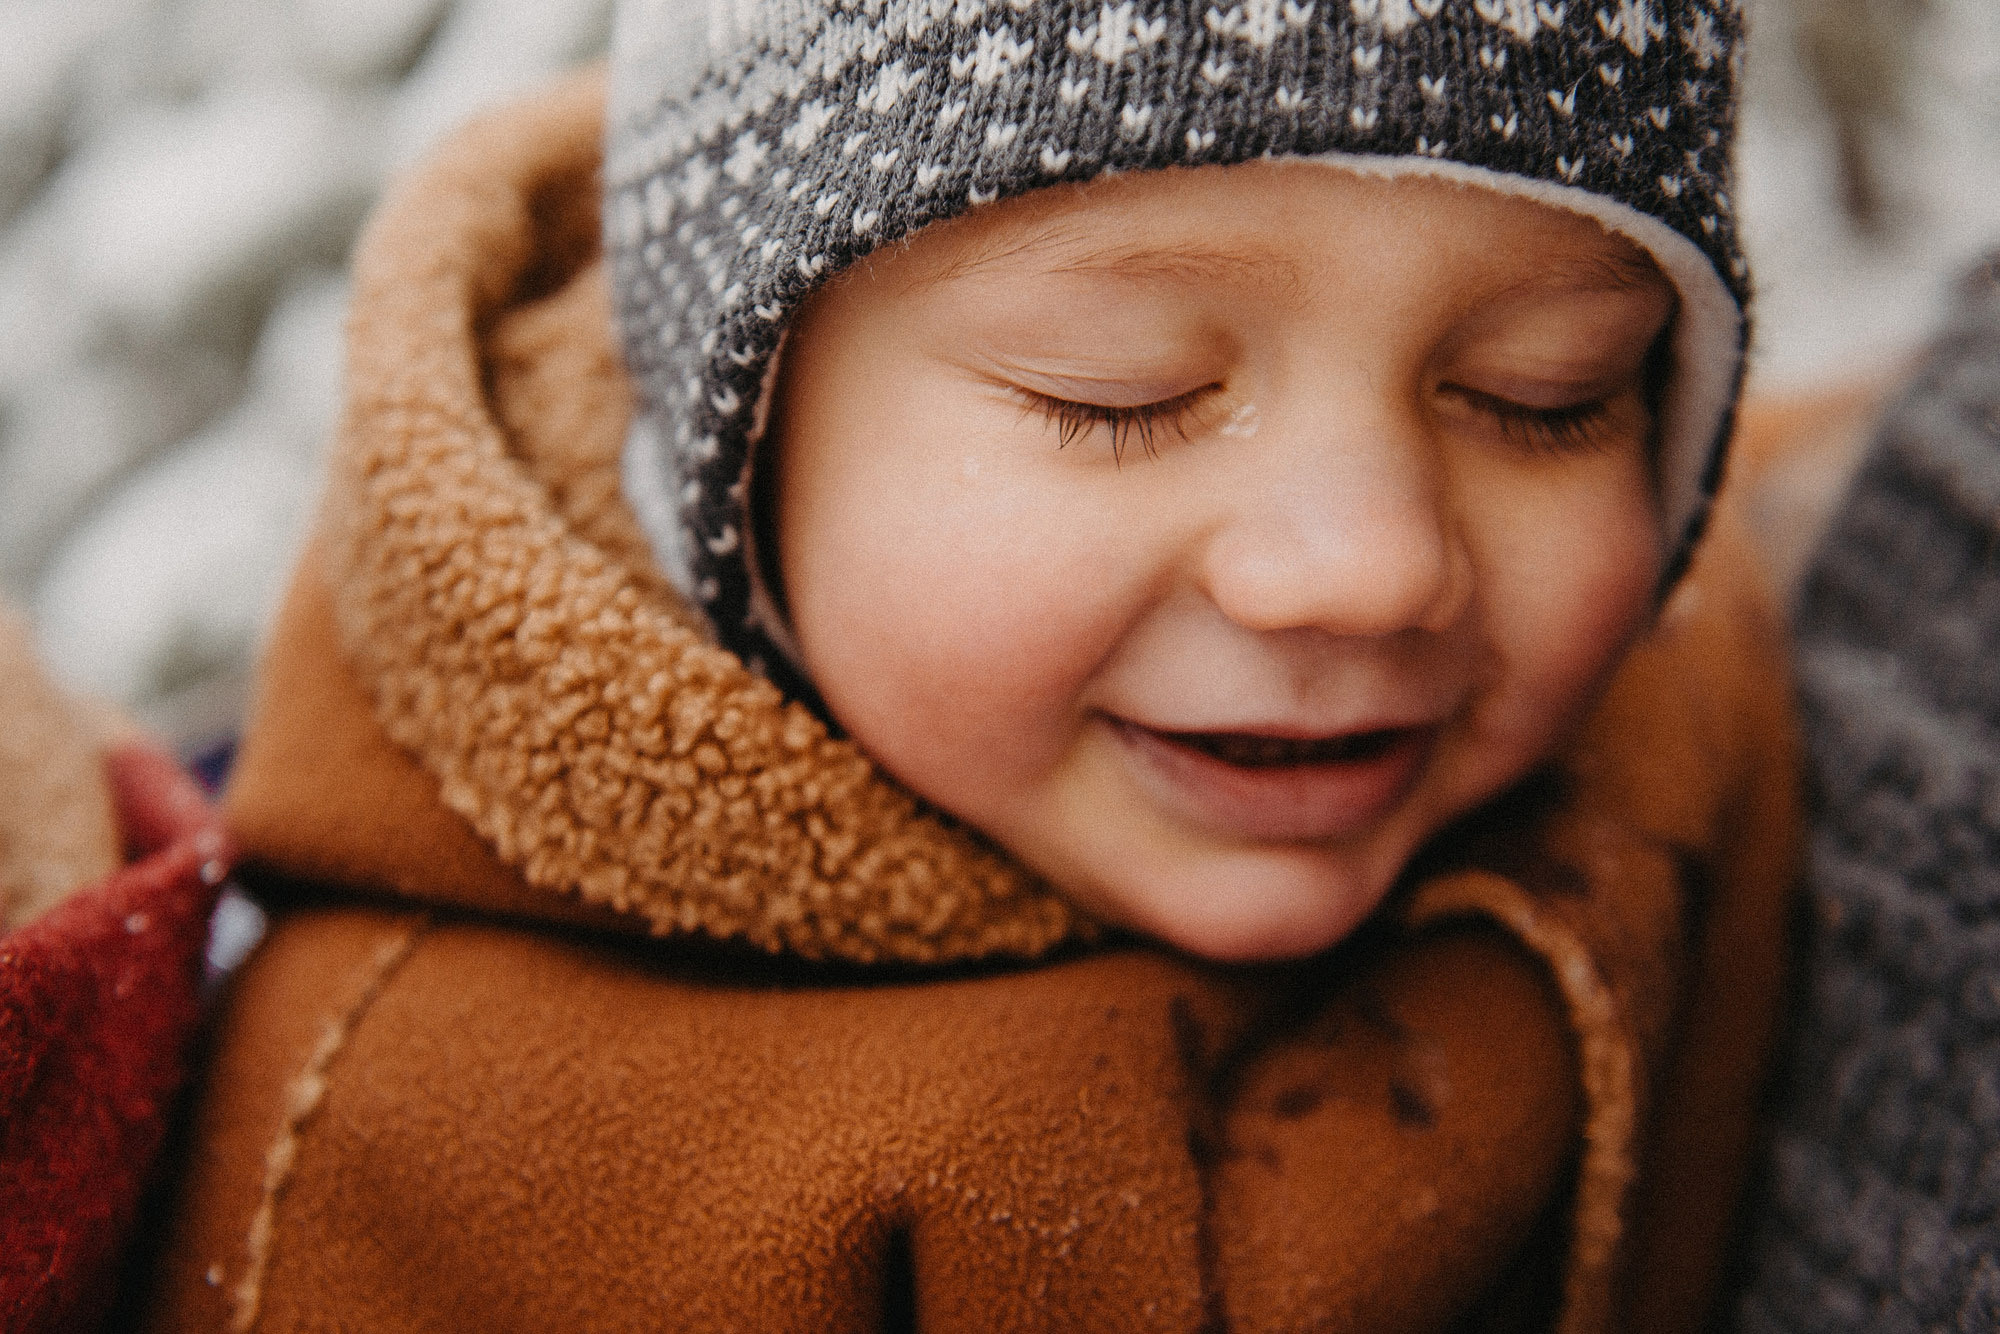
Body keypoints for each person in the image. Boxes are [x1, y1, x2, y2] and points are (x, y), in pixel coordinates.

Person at [134, 2, 1800, 1329]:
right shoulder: (443, 1153)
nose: (1368, 564)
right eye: (1120, 392)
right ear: (744, 424)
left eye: (1545, 390)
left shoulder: (1704, 712)